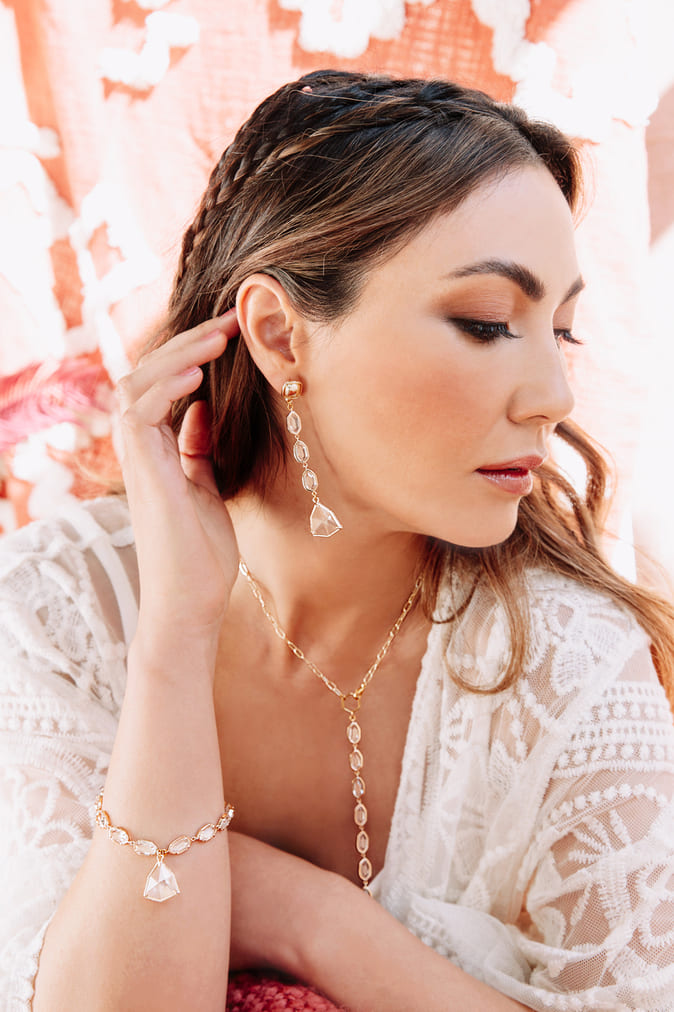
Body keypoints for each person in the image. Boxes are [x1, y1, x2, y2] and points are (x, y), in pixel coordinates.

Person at [2, 69, 674, 1012]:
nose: (554, 397)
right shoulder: (54, 610)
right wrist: (175, 638)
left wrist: (305, 916)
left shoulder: (569, 666)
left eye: (560, 331)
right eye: (488, 324)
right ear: (279, 336)